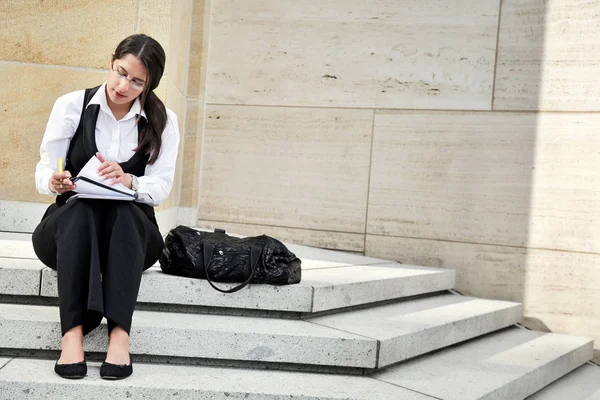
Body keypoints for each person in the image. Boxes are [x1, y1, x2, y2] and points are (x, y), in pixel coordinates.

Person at [32, 34, 179, 380]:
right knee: (81, 211)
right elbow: (44, 167)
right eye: (121, 72)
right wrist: (54, 181)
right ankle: (72, 336)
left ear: (149, 84)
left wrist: (130, 182)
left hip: (131, 235)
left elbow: (161, 187)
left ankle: (119, 337)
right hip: (68, 230)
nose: (123, 85)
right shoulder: (71, 105)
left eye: (136, 81)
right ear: (111, 60)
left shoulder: (163, 121)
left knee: (126, 213)